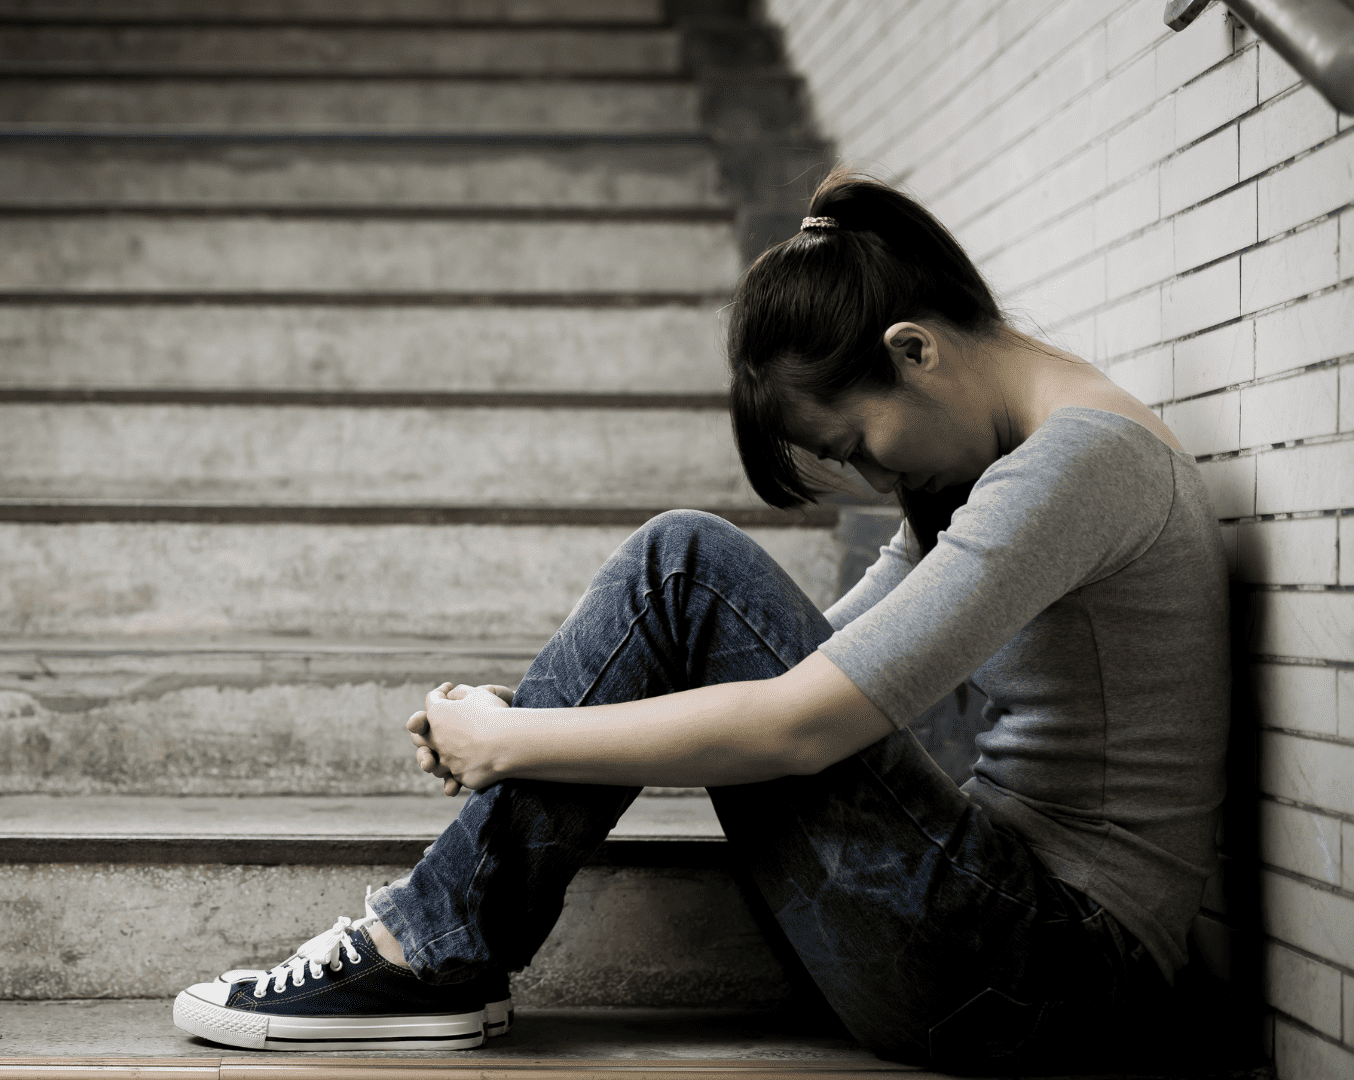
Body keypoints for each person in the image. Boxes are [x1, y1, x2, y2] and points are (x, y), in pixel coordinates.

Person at [171, 168, 1229, 1073]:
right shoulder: (1004, 469)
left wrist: (515, 741)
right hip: (998, 951)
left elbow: (798, 724)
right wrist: (539, 715)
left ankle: (428, 950)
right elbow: (793, 660)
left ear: (914, 350)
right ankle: (435, 946)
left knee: (685, 559)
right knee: (683, 578)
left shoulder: (1079, 467)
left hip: (1059, 974)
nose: (870, 474)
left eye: (856, 442)